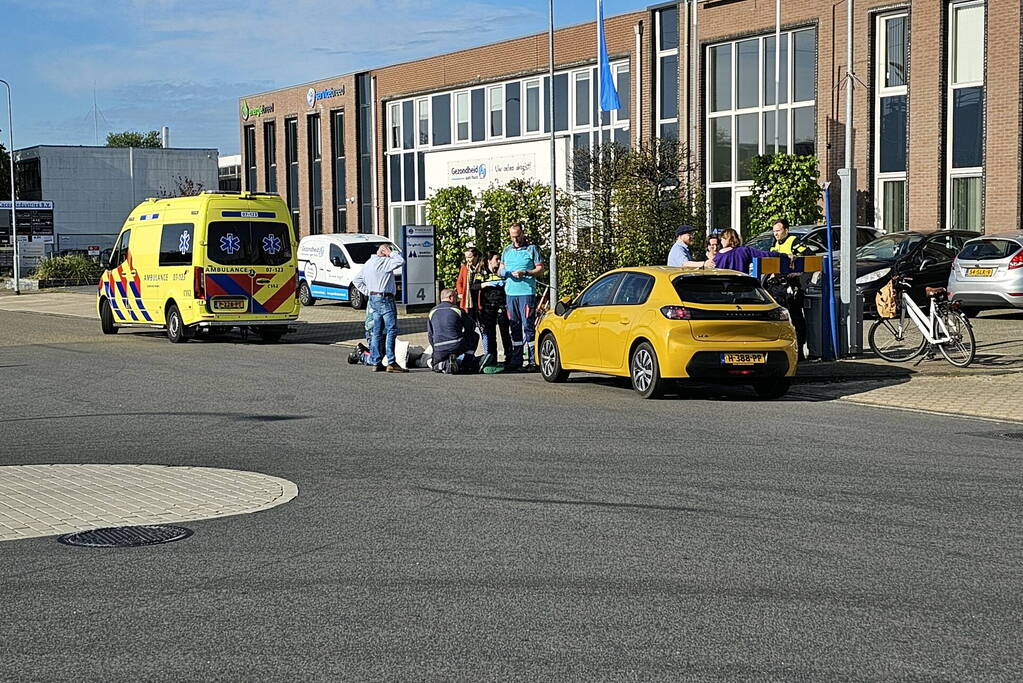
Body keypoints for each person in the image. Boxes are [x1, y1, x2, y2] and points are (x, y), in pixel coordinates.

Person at [352, 243, 407, 373]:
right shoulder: (384, 263)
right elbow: (401, 261)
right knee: (391, 329)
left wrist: (368, 291)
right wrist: (390, 253)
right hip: (385, 298)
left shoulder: (368, 263)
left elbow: (357, 280)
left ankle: (376, 361)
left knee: (377, 331)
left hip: (373, 299)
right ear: (384, 251)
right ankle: (391, 362)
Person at [499, 224, 544, 371]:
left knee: (528, 326)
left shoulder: (532, 249)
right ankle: (517, 359)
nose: (515, 239)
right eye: (512, 236)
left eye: (517, 235)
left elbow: (540, 269)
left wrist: (525, 272)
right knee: (514, 326)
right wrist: (505, 273)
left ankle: (533, 360)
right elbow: (500, 269)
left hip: (526, 292)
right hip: (511, 293)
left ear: (523, 234)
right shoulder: (506, 250)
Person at [427, 289, 488, 374]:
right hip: (456, 345)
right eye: (456, 297)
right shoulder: (457, 310)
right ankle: (466, 363)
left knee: (434, 365)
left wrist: (435, 348)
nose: (457, 300)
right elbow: (471, 327)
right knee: (474, 336)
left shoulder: (432, 312)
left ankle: (445, 364)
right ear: (450, 297)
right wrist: (461, 335)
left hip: (439, 348)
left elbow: (430, 335)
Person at [478, 251, 512, 369]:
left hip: (502, 306)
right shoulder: (482, 273)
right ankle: (492, 359)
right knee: (490, 334)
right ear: (489, 260)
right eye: (496, 259)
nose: (498, 262)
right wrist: (486, 284)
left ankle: (509, 358)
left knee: (505, 333)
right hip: (488, 307)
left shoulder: (502, 271)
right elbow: (474, 286)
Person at [709, 228, 788, 274]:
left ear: (729, 239)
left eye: (723, 238)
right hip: (743, 286)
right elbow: (765, 254)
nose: (721, 241)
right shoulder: (744, 250)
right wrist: (784, 255)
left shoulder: (720, 255)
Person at [455, 246, 484, 318]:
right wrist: (460, 292)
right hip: (468, 296)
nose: (468, 259)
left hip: (480, 296)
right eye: (466, 257)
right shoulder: (464, 267)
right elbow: (459, 282)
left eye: (470, 257)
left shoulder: (482, 267)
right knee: (470, 317)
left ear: (476, 256)